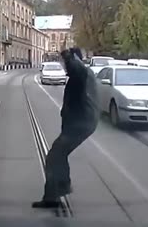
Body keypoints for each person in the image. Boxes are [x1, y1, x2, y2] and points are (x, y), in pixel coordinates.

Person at [32, 47, 99, 208]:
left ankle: (55, 194)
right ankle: (59, 189)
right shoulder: (80, 74)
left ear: (75, 60)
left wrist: (69, 57)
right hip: (79, 122)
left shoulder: (82, 73)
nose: (64, 66)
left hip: (82, 123)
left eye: (66, 63)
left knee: (55, 156)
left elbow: (77, 67)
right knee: (58, 155)